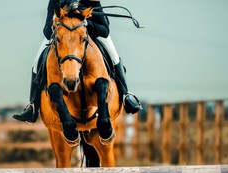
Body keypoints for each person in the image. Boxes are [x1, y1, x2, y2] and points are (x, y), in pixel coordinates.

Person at [13, 0, 142, 123]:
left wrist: (86, 23)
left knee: (114, 55)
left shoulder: (92, 0)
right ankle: (33, 106)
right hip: (63, 36)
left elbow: (105, 30)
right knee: (37, 60)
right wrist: (56, 22)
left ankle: (126, 96)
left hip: (87, 35)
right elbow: (47, 32)